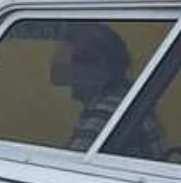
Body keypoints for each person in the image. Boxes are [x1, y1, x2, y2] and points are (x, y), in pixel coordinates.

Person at [52, 23, 167, 157]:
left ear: (100, 68)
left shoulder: (106, 111)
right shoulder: (125, 98)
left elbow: (71, 166)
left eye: (69, 65)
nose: (66, 77)